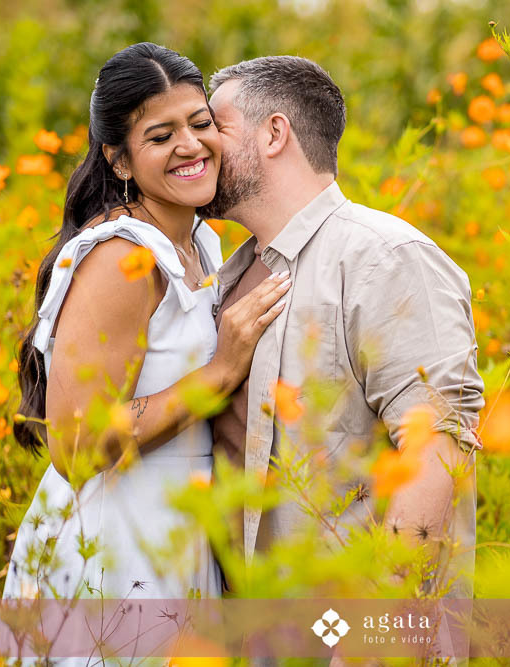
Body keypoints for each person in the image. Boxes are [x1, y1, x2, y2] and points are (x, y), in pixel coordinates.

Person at [0, 43, 288, 662]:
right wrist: (219, 372)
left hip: (177, 533)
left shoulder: (204, 243)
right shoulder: (121, 259)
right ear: (119, 159)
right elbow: (75, 446)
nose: (191, 145)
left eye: (200, 123)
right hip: (112, 541)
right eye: (161, 135)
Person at [201, 56, 484, 607]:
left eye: (217, 126)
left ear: (274, 133)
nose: (201, 144)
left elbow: (436, 451)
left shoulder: (385, 258)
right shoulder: (231, 274)